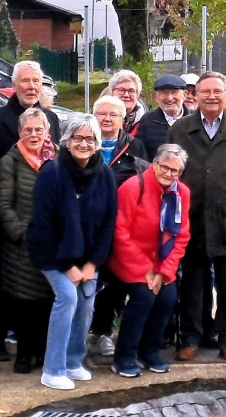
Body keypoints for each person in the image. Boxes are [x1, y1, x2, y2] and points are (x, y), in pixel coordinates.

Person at [167, 71, 226, 363]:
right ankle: (191, 339)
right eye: (205, 91)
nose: (211, 96)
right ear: (195, 96)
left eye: (217, 92)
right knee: (193, 283)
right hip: (191, 219)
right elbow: (169, 171)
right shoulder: (181, 130)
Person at [27, 113, 118, 391]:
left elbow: (108, 224)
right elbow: (43, 226)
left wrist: (92, 264)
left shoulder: (105, 174)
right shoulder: (51, 173)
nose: (83, 143)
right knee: (67, 298)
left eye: (90, 139)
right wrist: (69, 266)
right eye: (77, 138)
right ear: (66, 142)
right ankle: (52, 369)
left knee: (87, 302)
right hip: (52, 255)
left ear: (97, 143)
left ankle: (73, 361)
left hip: (88, 257)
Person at [107, 144, 193, 377]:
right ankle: (124, 356)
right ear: (154, 164)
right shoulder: (134, 186)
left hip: (161, 262)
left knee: (168, 297)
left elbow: (181, 235)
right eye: (165, 167)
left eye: (175, 171)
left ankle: (149, 352)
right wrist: (145, 270)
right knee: (144, 296)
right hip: (129, 258)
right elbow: (120, 232)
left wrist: (164, 271)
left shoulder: (181, 193)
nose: (169, 174)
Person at [0, 108, 56, 374]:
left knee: (46, 301)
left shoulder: (56, 159)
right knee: (23, 302)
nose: (33, 135)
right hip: (21, 244)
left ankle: (41, 352)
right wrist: (20, 233)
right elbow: (3, 203)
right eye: (28, 130)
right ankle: (24, 354)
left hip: (50, 242)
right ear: (20, 132)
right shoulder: (10, 161)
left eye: (38, 130)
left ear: (47, 132)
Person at [89, 95, 149, 356]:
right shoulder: (83, 142)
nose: (107, 119)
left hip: (121, 229)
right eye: (101, 114)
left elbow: (144, 184)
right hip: (88, 228)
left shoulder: (134, 146)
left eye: (113, 115)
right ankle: (79, 333)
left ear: (123, 120)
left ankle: (102, 332)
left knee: (113, 284)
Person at [0, 60, 62, 155]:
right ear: (14, 86)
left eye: (36, 81)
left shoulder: (52, 118)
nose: (31, 86)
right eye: (25, 80)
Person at [137, 74, 190, 159]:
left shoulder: (195, 119)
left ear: (184, 95)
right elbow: (140, 154)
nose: (169, 98)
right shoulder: (147, 120)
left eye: (174, 93)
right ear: (155, 96)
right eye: (164, 93)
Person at [102, 69, 147, 134]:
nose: (126, 95)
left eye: (131, 91)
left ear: (138, 95)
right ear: (111, 92)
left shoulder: (146, 122)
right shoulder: (99, 119)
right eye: (121, 90)